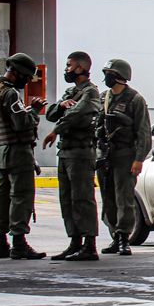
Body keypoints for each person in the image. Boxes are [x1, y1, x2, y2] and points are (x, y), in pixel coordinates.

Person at [0, 53, 47, 260]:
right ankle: (19, 243)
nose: (27, 81)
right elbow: (21, 123)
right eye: (26, 77)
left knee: (2, 198)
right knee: (21, 197)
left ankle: (1, 243)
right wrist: (35, 111)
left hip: (2, 151)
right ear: (17, 72)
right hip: (18, 152)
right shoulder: (10, 94)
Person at [43, 52, 102, 261]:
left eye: (69, 66)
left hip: (81, 152)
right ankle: (75, 241)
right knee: (67, 199)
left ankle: (89, 245)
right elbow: (50, 113)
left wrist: (56, 130)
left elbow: (79, 114)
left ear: (80, 67)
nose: (66, 69)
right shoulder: (71, 92)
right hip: (66, 152)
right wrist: (60, 106)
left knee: (82, 198)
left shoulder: (91, 93)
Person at [95, 59, 151, 257]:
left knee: (124, 198)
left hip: (125, 155)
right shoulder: (103, 98)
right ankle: (114, 235)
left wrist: (138, 159)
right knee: (108, 197)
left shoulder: (134, 100)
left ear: (119, 75)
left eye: (110, 73)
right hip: (105, 155)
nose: (106, 77)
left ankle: (124, 238)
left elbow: (144, 133)